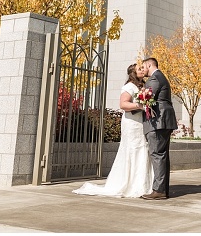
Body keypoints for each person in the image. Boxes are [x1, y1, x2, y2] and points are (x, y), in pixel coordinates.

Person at [73, 63, 154, 198]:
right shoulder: (129, 87)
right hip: (132, 123)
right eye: (139, 69)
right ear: (133, 73)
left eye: (142, 68)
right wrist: (140, 105)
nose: (142, 70)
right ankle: (128, 183)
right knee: (132, 149)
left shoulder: (142, 86)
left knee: (142, 149)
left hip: (141, 122)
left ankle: (142, 183)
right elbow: (123, 104)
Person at [141, 57, 177, 200]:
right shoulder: (161, 76)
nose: (143, 70)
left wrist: (140, 98)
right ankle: (163, 189)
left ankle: (159, 190)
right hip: (164, 120)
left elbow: (147, 97)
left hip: (158, 121)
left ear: (149, 65)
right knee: (162, 155)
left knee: (157, 154)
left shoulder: (155, 78)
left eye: (144, 67)